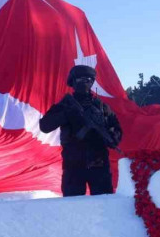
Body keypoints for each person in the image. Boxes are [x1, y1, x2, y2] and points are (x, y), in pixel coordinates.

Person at [39, 65, 122, 197]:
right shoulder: (66, 105)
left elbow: (117, 130)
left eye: (88, 79)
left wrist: (111, 137)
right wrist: (66, 114)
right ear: (73, 82)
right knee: (72, 208)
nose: (85, 83)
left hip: (99, 164)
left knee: (104, 205)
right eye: (80, 79)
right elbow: (44, 126)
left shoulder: (102, 107)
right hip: (73, 164)